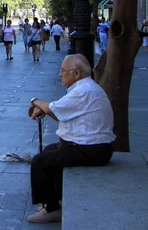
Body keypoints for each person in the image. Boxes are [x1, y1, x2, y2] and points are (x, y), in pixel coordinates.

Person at [26, 54, 115, 223]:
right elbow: (60, 111)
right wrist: (45, 109)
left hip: (91, 149)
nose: (60, 74)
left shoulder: (84, 90)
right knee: (50, 151)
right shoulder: (84, 88)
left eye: (63, 71)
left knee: (40, 162)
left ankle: (53, 210)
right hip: (89, 145)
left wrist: (35, 101)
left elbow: (54, 108)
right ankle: (54, 201)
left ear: (76, 73)